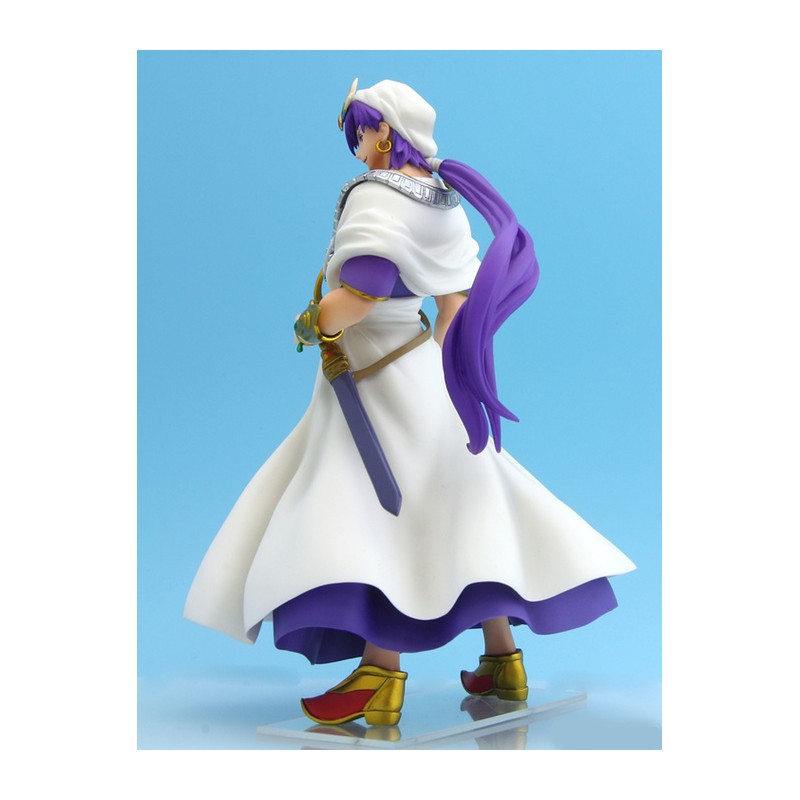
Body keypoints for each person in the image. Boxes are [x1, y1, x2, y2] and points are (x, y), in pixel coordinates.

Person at [184, 78, 635, 727]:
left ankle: (381, 673)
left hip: (373, 377)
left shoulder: (377, 196)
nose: (356, 145)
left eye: (361, 131)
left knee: (373, 514)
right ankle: (503, 661)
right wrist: (440, 368)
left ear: (384, 132)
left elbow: (364, 287)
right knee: (463, 505)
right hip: (419, 367)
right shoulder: (441, 199)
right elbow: (453, 304)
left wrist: (314, 322)